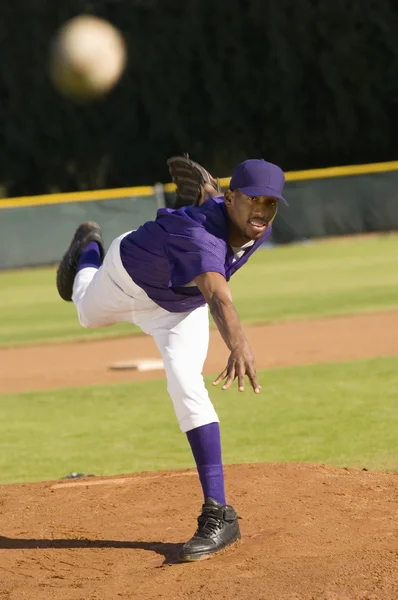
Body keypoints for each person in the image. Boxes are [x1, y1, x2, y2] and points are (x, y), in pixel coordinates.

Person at [56, 156, 287, 562]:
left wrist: (210, 193)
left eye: (271, 203)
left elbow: (219, 229)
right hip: (124, 278)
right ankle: (89, 246)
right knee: (85, 314)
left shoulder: (254, 223)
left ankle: (219, 514)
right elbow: (218, 295)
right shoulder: (201, 235)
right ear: (233, 198)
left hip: (178, 308)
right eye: (254, 199)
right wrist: (239, 343)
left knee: (185, 381)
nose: (262, 210)